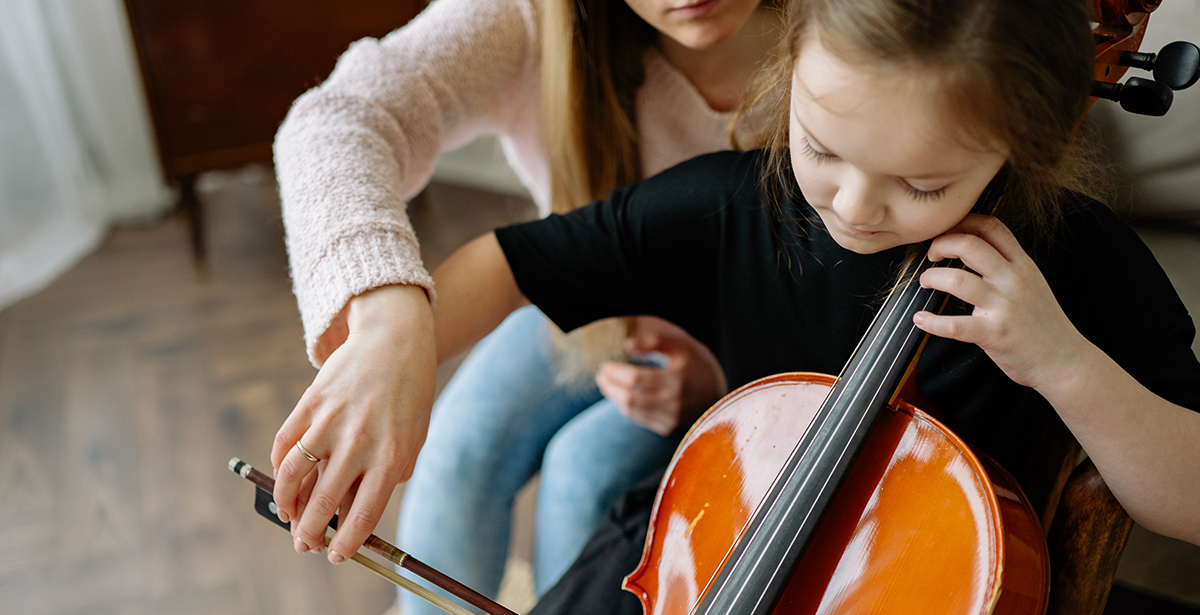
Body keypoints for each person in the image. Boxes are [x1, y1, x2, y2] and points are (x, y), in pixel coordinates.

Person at [395, 0, 1200, 611]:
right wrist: (383, 359)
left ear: (1031, 142)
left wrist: (1064, 362)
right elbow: (510, 262)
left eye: (923, 185)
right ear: (790, 65)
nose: (852, 205)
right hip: (714, 552)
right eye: (819, 146)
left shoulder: (1079, 264)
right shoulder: (737, 205)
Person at [268, 0, 783, 609]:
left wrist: (721, 382)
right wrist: (386, 318)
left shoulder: (852, 33)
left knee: (583, 475)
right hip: (591, 314)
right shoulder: (532, 19)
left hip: (752, 355)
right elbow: (337, 116)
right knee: (455, 452)